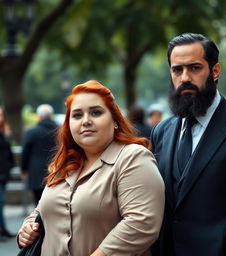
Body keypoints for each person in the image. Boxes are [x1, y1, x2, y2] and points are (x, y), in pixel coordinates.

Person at [17, 80, 165, 256]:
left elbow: (141, 223)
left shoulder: (133, 158)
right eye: (77, 115)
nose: (86, 121)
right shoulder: (65, 164)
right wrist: (27, 228)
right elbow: (41, 210)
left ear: (115, 120)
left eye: (96, 112)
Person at [150, 33, 226, 256]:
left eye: (194, 68)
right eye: (177, 70)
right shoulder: (162, 131)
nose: (185, 78)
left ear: (215, 71)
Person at [21, 104, 58, 205]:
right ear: (51, 115)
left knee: (38, 202)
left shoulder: (31, 132)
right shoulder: (60, 131)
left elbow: (25, 152)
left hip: (35, 171)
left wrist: (23, 169)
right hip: (56, 169)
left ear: (39, 116)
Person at [0, 107, 15, 240]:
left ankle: (3, 228)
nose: (1, 118)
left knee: (1, 201)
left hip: (3, 173)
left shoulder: (4, 131)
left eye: (2, 115)